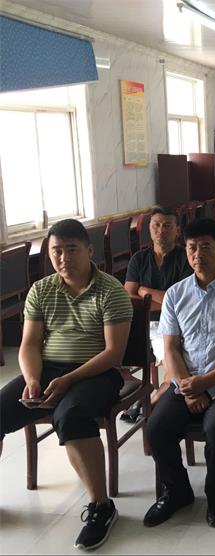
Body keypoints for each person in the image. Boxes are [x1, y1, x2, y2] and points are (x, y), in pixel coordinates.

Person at [0, 219, 133, 550]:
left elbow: (113, 353)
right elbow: (30, 344)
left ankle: (102, 506)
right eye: (56, 251)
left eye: (71, 250)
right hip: (48, 370)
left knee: (70, 416)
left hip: (99, 373)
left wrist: (69, 379)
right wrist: (33, 379)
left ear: (89, 250)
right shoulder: (41, 289)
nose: (63, 258)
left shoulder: (111, 291)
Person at [142, 218, 215, 529]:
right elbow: (171, 348)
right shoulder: (175, 295)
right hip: (186, 381)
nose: (197, 254)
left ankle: (214, 489)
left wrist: (205, 383)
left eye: (205, 246)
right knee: (156, 428)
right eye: (191, 248)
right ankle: (177, 491)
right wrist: (187, 386)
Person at [122, 206, 192, 420]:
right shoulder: (139, 259)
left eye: (167, 225)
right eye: (156, 225)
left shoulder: (185, 257)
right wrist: (163, 299)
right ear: (149, 229)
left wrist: (145, 291)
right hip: (142, 323)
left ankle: (148, 403)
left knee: (172, 369)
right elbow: (129, 298)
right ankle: (145, 393)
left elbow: (183, 302)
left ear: (177, 230)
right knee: (110, 356)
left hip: (174, 325)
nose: (161, 230)